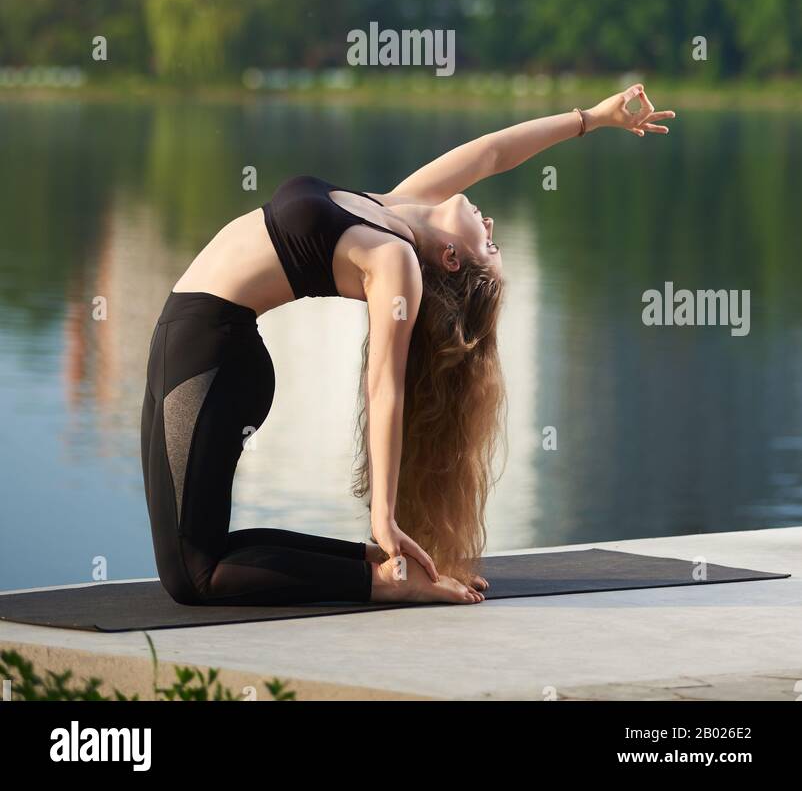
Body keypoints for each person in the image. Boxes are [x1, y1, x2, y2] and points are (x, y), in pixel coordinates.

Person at [140, 83, 674, 608]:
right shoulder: (400, 207)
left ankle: (386, 581)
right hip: (199, 346)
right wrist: (593, 119)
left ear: (450, 259)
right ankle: (376, 567)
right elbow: (492, 152)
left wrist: (385, 513)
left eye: (489, 245)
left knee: (193, 575)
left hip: (208, 357)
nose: (490, 224)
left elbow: (385, 387)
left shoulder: (397, 264)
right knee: (202, 553)